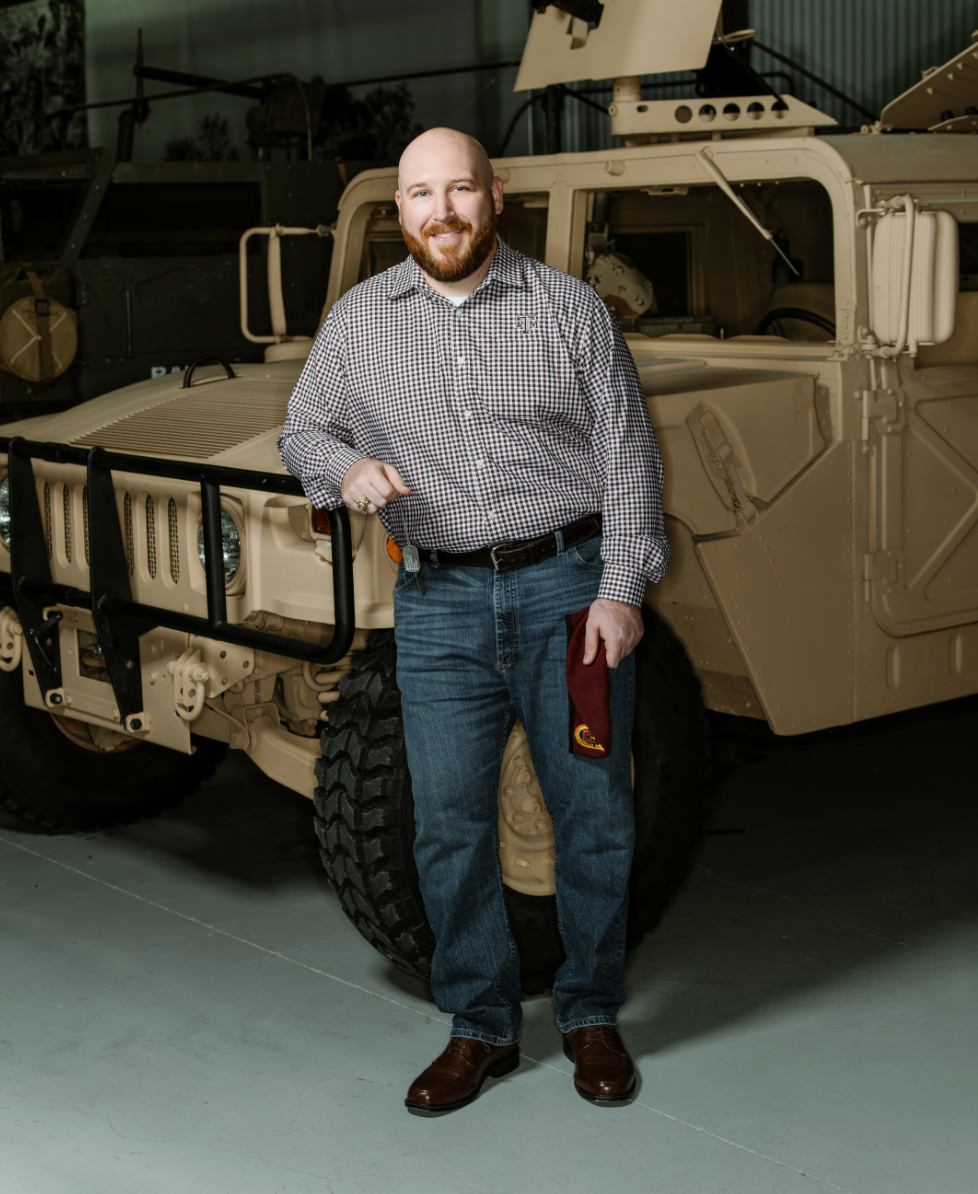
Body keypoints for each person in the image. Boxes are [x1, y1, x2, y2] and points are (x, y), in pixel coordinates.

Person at [279, 127, 669, 1115]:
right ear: (401, 211)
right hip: (439, 605)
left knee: (592, 814)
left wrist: (621, 589)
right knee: (448, 826)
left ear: (496, 198)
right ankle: (481, 1025)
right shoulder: (359, 322)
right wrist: (342, 468)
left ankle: (590, 1011)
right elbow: (303, 427)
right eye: (421, 194)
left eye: (459, 190)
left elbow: (628, 455)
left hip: (567, 594)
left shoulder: (569, 309)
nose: (442, 211)